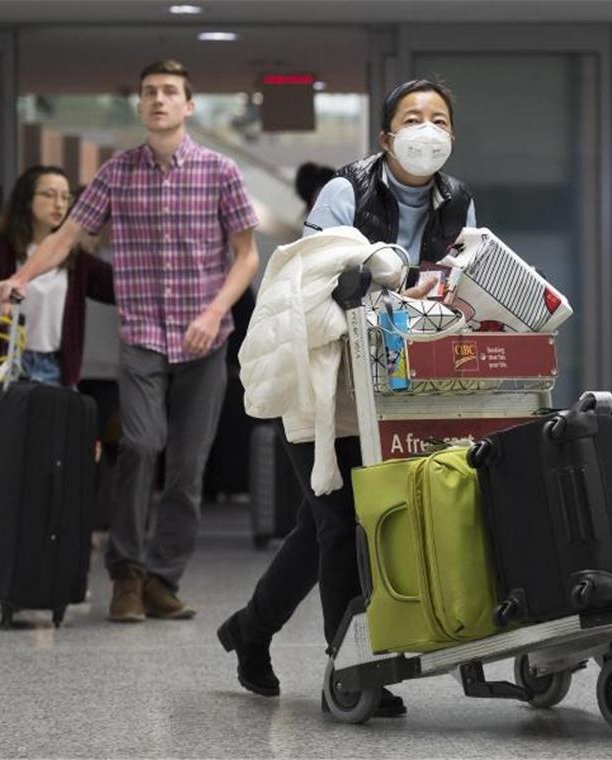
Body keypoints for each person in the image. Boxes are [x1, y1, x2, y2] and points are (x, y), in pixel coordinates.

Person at [217, 79, 477, 717]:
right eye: (412, 118)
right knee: (340, 525)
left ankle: (250, 630)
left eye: (439, 119)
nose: (427, 129)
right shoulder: (346, 190)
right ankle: (352, 667)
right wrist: (382, 284)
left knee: (323, 526)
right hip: (322, 383)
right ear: (386, 136)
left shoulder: (457, 201)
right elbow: (307, 283)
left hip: (393, 386)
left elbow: (463, 279)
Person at [0, 60, 260, 623]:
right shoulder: (117, 174)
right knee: (140, 446)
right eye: (149, 93)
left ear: (188, 106)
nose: (158, 100)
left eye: (169, 92)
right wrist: (20, 278)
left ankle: (164, 578)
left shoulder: (220, 172)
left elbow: (246, 256)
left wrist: (215, 311)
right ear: (140, 107)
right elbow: (67, 237)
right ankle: (126, 575)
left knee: (189, 469)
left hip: (205, 340)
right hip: (141, 336)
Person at [0, 167, 114, 388]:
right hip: (7, 361)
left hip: (55, 366)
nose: (59, 204)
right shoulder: (3, 247)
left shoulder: (77, 259)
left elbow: (117, 286)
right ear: (28, 200)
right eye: (49, 194)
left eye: (66, 197)